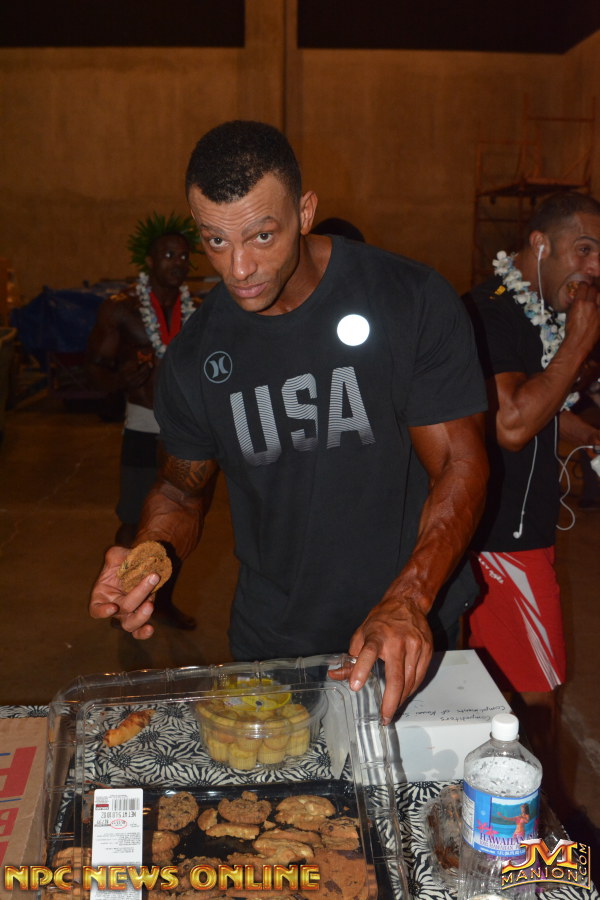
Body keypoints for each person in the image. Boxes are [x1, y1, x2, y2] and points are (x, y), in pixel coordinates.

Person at [89, 120, 489, 722]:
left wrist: (410, 597)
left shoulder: (407, 298)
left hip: (409, 626)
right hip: (273, 643)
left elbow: (460, 462)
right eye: (215, 241)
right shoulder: (197, 356)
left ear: (304, 212)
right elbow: (180, 488)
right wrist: (147, 555)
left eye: (261, 236)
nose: (239, 267)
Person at [463, 191, 600, 808]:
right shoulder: (492, 313)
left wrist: (586, 434)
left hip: (508, 538)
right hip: (504, 545)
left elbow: (540, 407)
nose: (593, 268)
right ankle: (546, 836)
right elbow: (512, 422)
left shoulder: (528, 312)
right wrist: (578, 344)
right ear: (540, 244)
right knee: (535, 701)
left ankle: (510, 826)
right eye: (584, 249)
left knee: (501, 698)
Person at [87, 212, 200, 630]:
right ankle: (121, 597)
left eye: (183, 256)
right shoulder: (121, 309)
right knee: (134, 519)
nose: (177, 262)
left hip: (186, 430)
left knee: (178, 522)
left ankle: (161, 601)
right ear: (150, 261)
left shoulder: (199, 312)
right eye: (168, 255)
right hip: (141, 423)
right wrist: (121, 380)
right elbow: (93, 369)